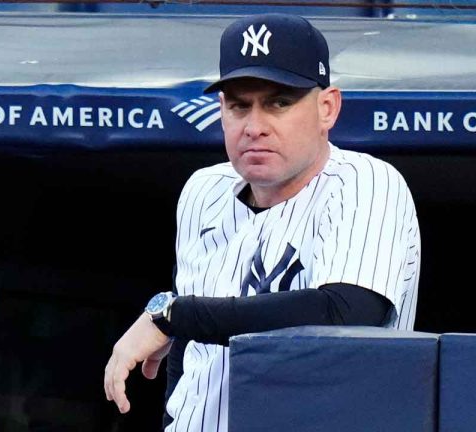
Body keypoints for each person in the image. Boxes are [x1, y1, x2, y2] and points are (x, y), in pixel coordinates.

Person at [104, 13, 421, 432]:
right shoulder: (203, 191)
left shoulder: (366, 182)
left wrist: (173, 315)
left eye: (279, 102)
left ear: (327, 108)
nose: (255, 126)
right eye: (239, 105)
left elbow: (346, 313)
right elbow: (187, 356)